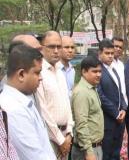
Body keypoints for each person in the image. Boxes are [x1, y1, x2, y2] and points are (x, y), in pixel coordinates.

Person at [0, 44, 55, 160]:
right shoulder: (14, 109)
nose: (41, 77)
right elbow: (34, 156)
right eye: (37, 72)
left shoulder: (24, 100)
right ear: (21, 74)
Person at [35, 31, 74, 159]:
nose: (56, 50)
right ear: (41, 48)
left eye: (59, 46)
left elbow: (67, 103)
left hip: (66, 136)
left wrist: (69, 133)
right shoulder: (39, 72)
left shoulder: (60, 71)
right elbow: (43, 110)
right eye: (52, 47)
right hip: (50, 138)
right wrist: (60, 140)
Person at [97, 39, 127, 160]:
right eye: (107, 53)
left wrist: (124, 108)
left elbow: (121, 91)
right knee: (106, 155)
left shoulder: (114, 69)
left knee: (116, 154)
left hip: (120, 120)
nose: (110, 56)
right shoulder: (98, 71)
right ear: (100, 54)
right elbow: (100, 96)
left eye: (111, 53)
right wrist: (116, 113)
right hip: (107, 121)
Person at [71, 56, 104, 160]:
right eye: (94, 71)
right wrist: (89, 152)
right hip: (86, 150)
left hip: (95, 147)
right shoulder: (82, 92)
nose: (98, 74)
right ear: (84, 72)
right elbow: (81, 125)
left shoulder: (91, 88)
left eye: (100, 71)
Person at [57, 36, 76, 100]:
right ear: (59, 48)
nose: (70, 50)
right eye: (66, 47)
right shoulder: (54, 69)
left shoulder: (72, 70)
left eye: (72, 47)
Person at [112, 37, 128, 105]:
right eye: (116, 46)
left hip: (123, 105)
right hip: (112, 105)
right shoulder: (106, 64)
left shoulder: (121, 65)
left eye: (120, 47)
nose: (118, 49)